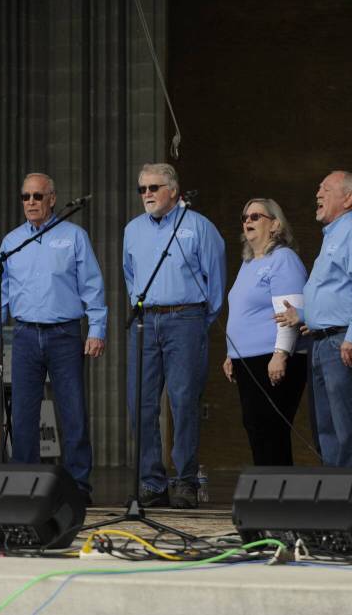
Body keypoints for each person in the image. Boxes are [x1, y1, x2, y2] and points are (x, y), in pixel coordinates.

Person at [0, 173, 106, 503]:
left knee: (72, 411)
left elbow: (92, 285)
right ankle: (25, 483)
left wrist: (96, 328)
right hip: (23, 335)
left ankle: (79, 486)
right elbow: (0, 294)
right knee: (22, 412)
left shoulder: (74, 236)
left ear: (52, 198)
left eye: (38, 196)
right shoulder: (11, 242)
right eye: (26, 197)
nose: (31, 202)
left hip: (65, 334)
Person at [123, 163, 226, 509]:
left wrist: (197, 319)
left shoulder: (198, 226)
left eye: (154, 188)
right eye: (142, 189)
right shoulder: (132, 230)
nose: (147, 195)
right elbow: (130, 275)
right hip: (145, 322)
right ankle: (152, 482)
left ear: (173, 190)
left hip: (185, 319)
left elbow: (215, 281)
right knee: (141, 403)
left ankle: (184, 480)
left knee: (183, 402)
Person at [274, 171, 352, 468]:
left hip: (343, 340)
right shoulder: (334, 234)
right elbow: (339, 292)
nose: (317, 193)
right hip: (322, 341)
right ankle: (337, 499)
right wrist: (306, 315)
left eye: (326, 188)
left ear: (348, 198)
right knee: (327, 429)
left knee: (350, 428)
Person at [224, 198, 308, 467]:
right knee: (255, 426)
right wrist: (230, 353)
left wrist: (281, 354)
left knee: (271, 429)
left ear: (275, 224)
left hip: (272, 358)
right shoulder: (249, 263)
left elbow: (289, 312)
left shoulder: (283, 259)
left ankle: (280, 498)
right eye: (245, 217)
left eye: (255, 217)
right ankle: (268, 494)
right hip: (247, 360)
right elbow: (240, 312)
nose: (247, 221)